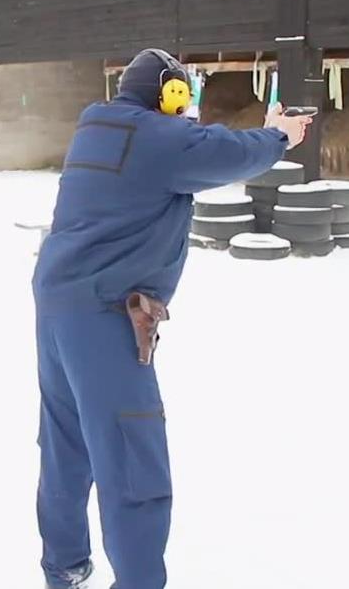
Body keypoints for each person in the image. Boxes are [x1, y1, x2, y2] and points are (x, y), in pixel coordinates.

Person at [31, 49, 312, 589]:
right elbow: (230, 154)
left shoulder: (98, 128)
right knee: (133, 453)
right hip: (106, 314)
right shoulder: (156, 141)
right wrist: (278, 134)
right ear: (169, 95)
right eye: (182, 97)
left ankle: (64, 563)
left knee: (66, 440)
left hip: (59, 302)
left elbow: (185, 149)